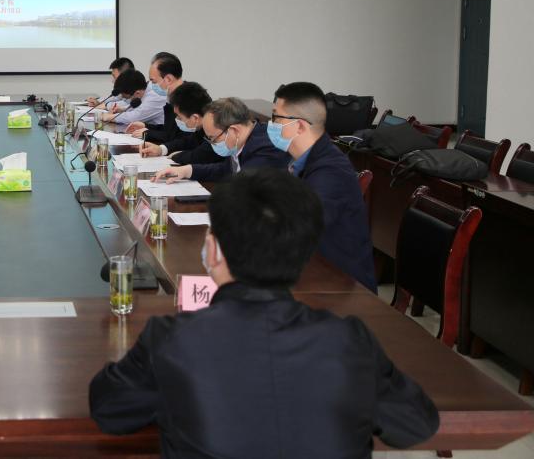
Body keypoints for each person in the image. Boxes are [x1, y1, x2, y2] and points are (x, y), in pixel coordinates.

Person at [89, 169, 440, 457]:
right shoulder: (349, 341)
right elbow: (414, 424)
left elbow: (109, 411)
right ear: (303, 256)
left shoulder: (170, 339)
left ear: (213, 251)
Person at [271, 82, 378, 292]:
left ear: (299, 126)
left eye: (276, 118)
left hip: (343, 289)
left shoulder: (331, 172)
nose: (271, 124)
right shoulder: (297, 160)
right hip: (309, 270)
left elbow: (299, 228)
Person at [153, 97, 289, 183]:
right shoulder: (243, 140)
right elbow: (226, 169)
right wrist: (186, 171)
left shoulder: (265, 149)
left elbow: (243, 188)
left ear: (234, 130)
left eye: (213, 138)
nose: (212, 144)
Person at [133, 81, 221, 168]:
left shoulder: (217, 128)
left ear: (195, 118)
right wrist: (161, 149)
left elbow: (200, 156)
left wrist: (178, 156)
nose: (177, 120)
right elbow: (189, 141)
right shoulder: (202, 126)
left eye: (179, 117)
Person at [123, 52, 184, 136]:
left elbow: (179, 137)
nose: (150, 85)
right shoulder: (171, 98)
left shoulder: (189, 99)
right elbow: (168, 129)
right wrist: (145, 126)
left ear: (168, 79)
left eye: (153, 81)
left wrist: (148, 133)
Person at [101, 68, 166, 127]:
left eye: (127, 98)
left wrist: (109, 117)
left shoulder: (154, 98)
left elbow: (134, 117)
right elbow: (139, 106)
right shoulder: (145, 88)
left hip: (161, 133)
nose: (126, 100)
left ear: (137, 93)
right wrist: (122, 109)